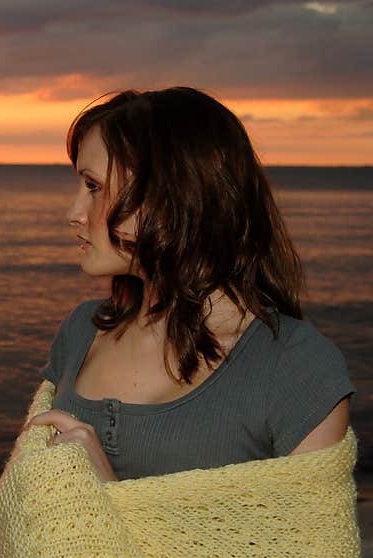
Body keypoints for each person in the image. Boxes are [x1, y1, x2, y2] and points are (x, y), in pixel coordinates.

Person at [26, 87, 356, 482]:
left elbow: (304, 541)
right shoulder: (81, 331)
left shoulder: (294, 367)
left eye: (93, 187)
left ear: (170, 198)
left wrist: (106, 492)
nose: (73, 213)